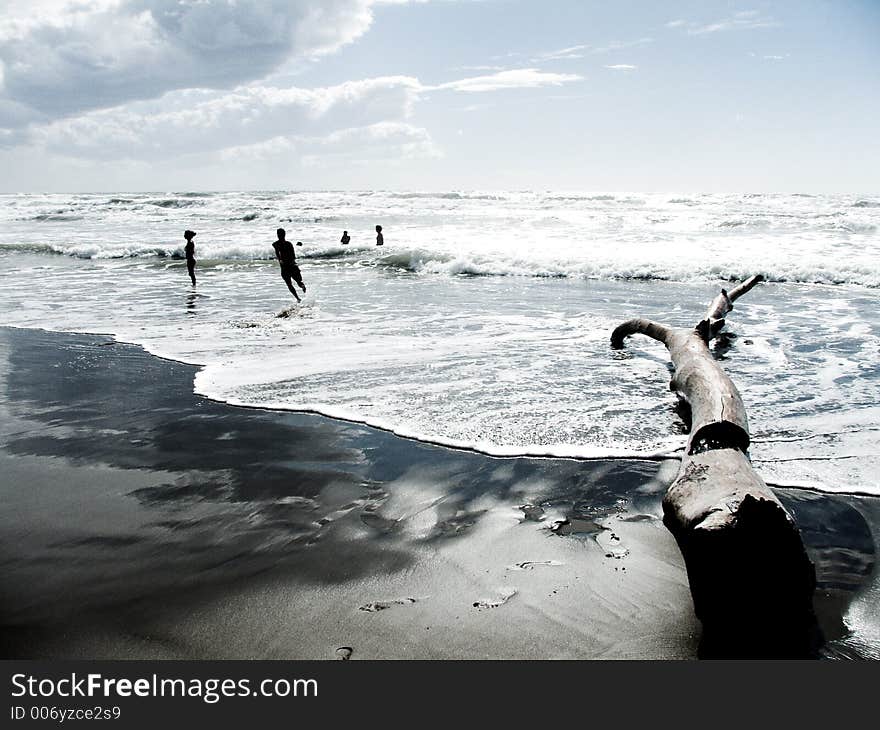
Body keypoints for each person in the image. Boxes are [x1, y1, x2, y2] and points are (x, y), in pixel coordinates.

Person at [272, 228, 306, 301]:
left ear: (278, 235)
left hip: (285, 268)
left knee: (290, 284)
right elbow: (293, 256)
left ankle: (299, 298)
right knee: (298, 282)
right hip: (291, 266)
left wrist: (281, 260)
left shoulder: (276, 244)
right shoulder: (288, 244)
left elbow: (278, 254)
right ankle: (302, 293)